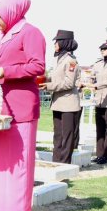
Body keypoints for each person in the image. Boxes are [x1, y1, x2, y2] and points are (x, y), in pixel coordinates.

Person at [0, 0, 45, 211]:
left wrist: (8, 72)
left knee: (18, 160)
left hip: (20, 106)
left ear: (12, 13)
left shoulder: (31, 33)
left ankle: (16, 208)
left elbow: (38, 66)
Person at [39, 30, 81, 164]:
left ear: (64, 43)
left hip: (68, 104)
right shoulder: (59, 59)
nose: (55, 44)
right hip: (58, 102)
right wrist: (45, 79)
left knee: (66, 136)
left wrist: (49, 86)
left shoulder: (71, 61)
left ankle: (64, 164)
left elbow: (69, 83)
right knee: (57, 135)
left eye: (57, 41)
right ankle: (56, 161)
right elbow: (57, 77)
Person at [84, 40, 107, 164]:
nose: (102, 51)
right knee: (99, 128)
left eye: (104, 49)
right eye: (101, 49)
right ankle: (99, 154)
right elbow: (91, 76)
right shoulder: (97, 64)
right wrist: (88, 80)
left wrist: (95, 86)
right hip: (99, 100)